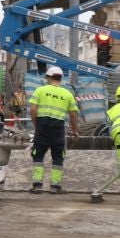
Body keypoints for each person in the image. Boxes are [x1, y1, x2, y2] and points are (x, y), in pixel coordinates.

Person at [27, 65, 82, 193]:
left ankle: (37, 185)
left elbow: (33, 109)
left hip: (42, 127)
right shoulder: (67, 94)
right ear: (61, 78)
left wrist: (36, 125)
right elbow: (74, 114)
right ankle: (55, 187)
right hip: (58, 128)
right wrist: (74, 130)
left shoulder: (40, 90)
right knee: (58, 156)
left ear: (49, 77)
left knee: (38, 154)